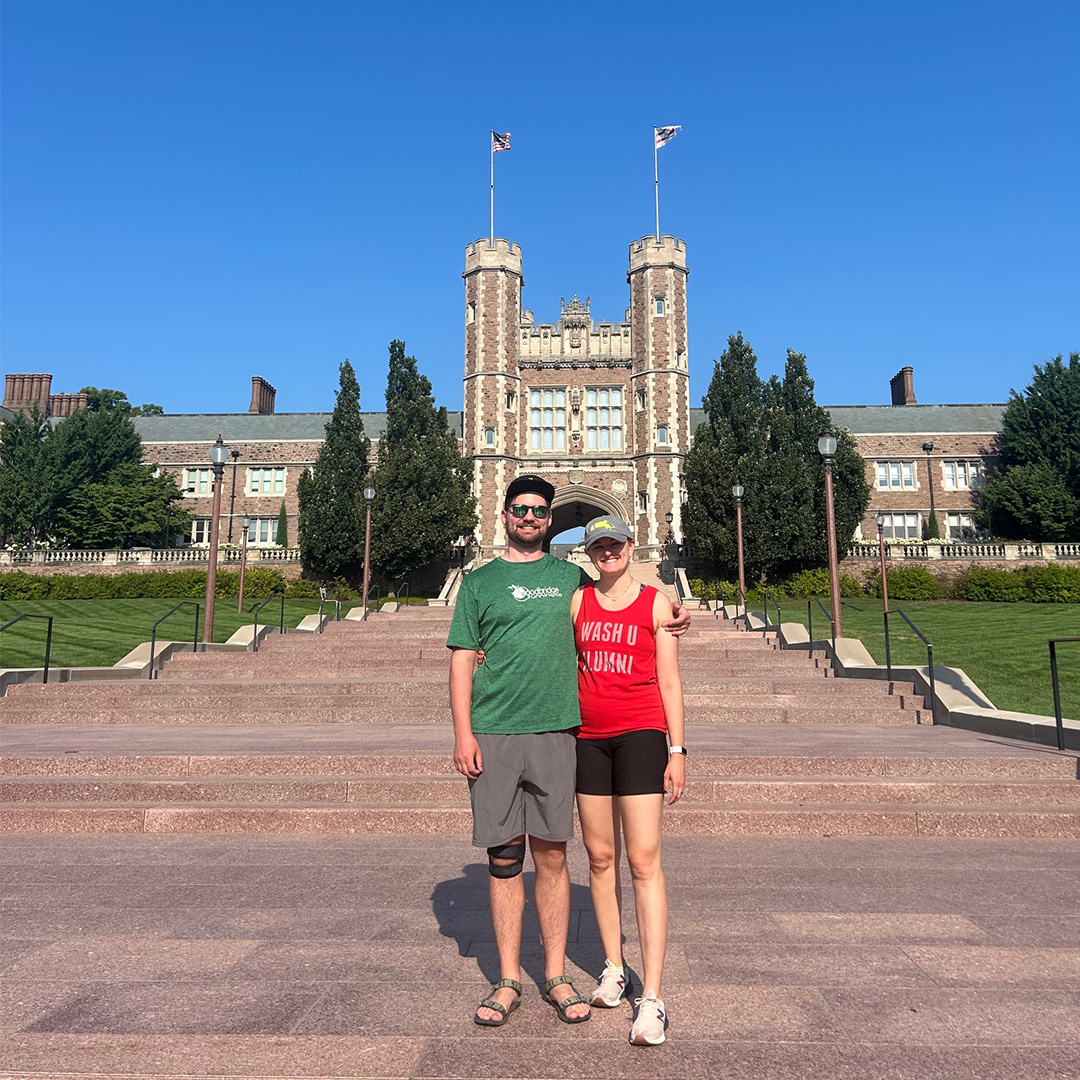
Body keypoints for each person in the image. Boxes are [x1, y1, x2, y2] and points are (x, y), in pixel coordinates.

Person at [447, 475, 689, 1028]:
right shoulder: (479, 584)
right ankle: (509, 980)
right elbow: (462, 658)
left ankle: (556, 974)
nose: (529, 517)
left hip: (562, 734)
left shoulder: (572, 581)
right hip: (495, 733)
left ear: (550, 520)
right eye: (519, 509)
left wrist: (674, 615)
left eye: (538, 510)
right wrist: (463, 734)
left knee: (555, 856)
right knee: (505, 858)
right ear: (505, 515)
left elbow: (619, 600)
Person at [572, 514, 685, 1046]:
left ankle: (654, 996)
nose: (607, 553)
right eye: (598, 546)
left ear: (630, 546)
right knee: (599, 858)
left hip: (640, 734)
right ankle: (614, 966)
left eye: (615, 544)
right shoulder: (578, 601)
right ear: (589, 552)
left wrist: (677, 749)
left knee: (643, 860)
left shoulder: (656, 603)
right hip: (588, 738)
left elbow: (669, 679)